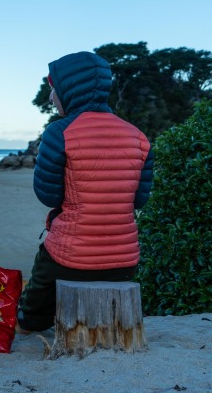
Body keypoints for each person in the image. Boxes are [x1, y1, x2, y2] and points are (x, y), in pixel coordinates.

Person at [16, 52, 154, 333]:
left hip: (70, 258)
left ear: (68, 89)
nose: (51, 97)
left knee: (35, 302)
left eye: (53, 89)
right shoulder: (137, 136)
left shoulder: (59, 132)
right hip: (125, 261)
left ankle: (29, 321)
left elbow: (49, 197)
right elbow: (139, 200)